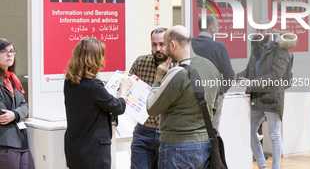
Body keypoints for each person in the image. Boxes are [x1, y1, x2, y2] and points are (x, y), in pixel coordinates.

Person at [147, 25, 220, 169]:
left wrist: (158, 77)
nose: (164, 50)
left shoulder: (177, 73)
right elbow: (214, 108)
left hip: (176, 145)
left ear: (172, 44)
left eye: (165, 45)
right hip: (204, 144)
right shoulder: (211, 67)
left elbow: (151, 107)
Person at [63, 38, 133, 169]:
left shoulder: (69, 82)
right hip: (93, 152)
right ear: (94, 59)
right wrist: (123, 91)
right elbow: (118, 107)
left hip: (75, 148)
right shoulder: (94, 86)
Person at [237, 24, 296, 169]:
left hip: (272, 97)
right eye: (257, 30)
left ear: (270, 31)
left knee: (274, 135)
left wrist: (252, 83)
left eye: (261, 30)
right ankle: (262, 165)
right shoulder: (257, 48)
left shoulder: (281, 49)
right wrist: (236, 76)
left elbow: (276, 75)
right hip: (257, 97)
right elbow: (251, 69)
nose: (258, 33)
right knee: (250, 133)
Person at [129, 27, 168, 169]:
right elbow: (128, 87)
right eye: (154, 44)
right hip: (143, 131)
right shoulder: (141, 63)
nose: (158, 48)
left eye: (162, 44)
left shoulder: (179, 66)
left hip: (167, 133)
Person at [191, 15, 235, 129]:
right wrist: (222, 89)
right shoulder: (218, 46)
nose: (218, 28)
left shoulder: (189, 43)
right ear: (211, 27)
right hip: (213, 94)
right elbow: (229, 74)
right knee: (212, 130)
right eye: (217, 25)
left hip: (191, 92)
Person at [0, 38, 35, 169]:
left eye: (11, 51)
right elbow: (2, 114)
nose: (9, 55)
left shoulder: (12, 79)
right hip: (5, 142)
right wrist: (16, 113)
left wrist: (15, 114)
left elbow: (25, 106)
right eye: (4, 51)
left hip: (21, 141)